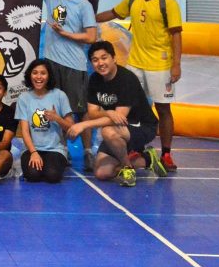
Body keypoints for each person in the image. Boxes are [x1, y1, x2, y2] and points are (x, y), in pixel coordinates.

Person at [96, 0, 183, 172]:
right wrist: (86, 19)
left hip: (159, 65)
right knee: (131, 108)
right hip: (136, 63)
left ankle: (166, 154)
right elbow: (112, 13)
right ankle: (136, 147)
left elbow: (176, 35)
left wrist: (176, 65)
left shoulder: (167, 2)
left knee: (163, 109)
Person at [68, 42, 167, 187]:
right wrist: (108, 111)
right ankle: (147, 159)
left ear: (113, 58)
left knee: (107, 131)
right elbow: (93, 112)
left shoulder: (127, 79)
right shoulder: (95, 80)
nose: (100, 63)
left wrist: (83, 124)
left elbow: (119, 118)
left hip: (143, 126)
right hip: (120, 129)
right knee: (102, 173)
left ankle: (127, 169)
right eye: (95, 60)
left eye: (104, 58)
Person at [40, 0, 97, 169]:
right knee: (56, 108)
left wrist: (67, 34)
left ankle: (89, 152)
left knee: (81, 111)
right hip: (51, 63)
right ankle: (61, 150)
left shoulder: (83, 5)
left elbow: (91, 36)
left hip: (74, 65)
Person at [15, 59, 74, 184]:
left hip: (55, 149)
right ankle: (39, 163)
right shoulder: (23, 98)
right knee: (32, 175)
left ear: (49, 76)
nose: (38, 77)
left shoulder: (60, 95)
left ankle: (55, 163)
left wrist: (57, 118)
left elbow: (71, 128)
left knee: (52, 175)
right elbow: (25, 131)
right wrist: (34, 152)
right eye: (35, 73)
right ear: (30, 75)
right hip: (32, 149)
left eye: (43, 73)